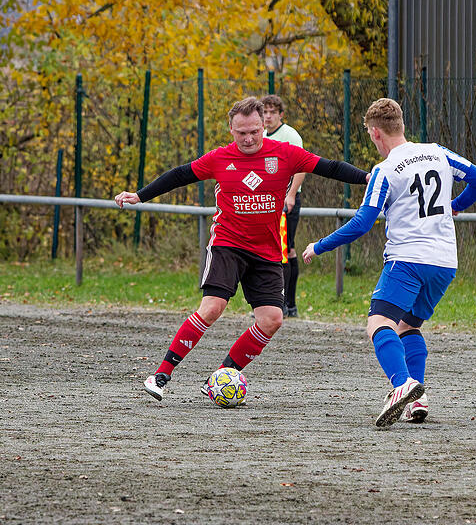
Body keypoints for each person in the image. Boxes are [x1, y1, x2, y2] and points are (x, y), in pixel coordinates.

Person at [115, 96, 368, 401]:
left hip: (267, 251)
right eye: (241, 132)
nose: (248, 138)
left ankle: (220, 377)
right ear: (230, 130)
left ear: (265, 126)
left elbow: (331, 167)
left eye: (254, 131)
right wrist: (140, 195)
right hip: (228, 244)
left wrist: (368, 177)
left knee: (272, 319)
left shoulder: (286, 154)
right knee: (212, 308)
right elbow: (180, 175)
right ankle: (161, 375)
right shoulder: (219, 158)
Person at [302, 98, 476, 427]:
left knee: (379, 323)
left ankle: (401, 385)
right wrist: (456, 205)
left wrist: (320, 246)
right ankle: (417, 399)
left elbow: (362, 223)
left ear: (375, 133)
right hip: (445, 261)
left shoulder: (384, 171)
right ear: (400, 125)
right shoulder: (438, 153)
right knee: (409, 326)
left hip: (407, 259)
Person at [261, 94, 304, 317]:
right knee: (286, 248)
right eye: (264, 112)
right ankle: (288, 304)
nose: (267, 117)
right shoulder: (260, 135)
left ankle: (283, 304)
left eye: (271, 112)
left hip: (285, 202)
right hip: (268, 201)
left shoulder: (289, 135)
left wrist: (291, 195)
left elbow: (302, 166)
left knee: (283, 249)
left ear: (280, 114)